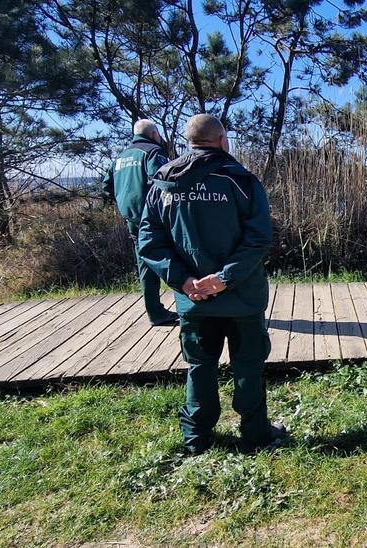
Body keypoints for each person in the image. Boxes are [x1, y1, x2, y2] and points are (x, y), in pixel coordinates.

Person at [137, 114, 286, 454]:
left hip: (193, 301)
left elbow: (149, 241)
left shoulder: (163, 183)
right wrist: (224, 278)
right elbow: (259, 238)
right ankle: (255, 434)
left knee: (200, 365)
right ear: (222, 140)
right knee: (248, 363)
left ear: (188, 142)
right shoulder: (240, 180)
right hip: (242, 298)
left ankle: (196, 437)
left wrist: (183, 280)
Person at [103, 119, 180, 326]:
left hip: (131, 218)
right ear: (154, 133)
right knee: (178, 257)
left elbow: (106, 185)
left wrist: (123, 202)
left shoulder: (120, 156)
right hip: (154, 218)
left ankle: (155, 312)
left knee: (145, 262)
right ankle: (190, 307)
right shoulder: (153, 152)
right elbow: (162, 181)